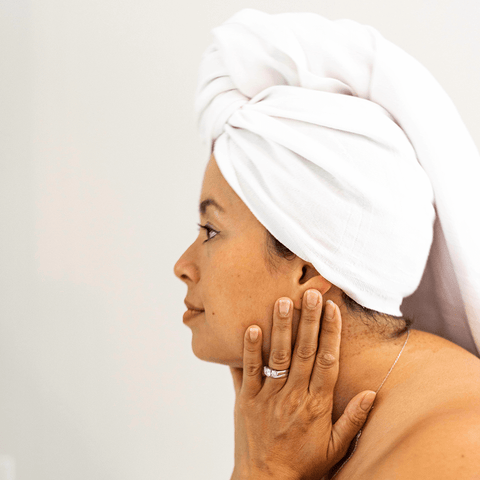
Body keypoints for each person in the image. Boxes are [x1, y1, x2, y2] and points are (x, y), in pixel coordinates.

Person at [175, 8, 480, 479]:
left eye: (211, 230)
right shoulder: (290, 427)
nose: (183, 265)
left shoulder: (448, 453)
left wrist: (264, 472)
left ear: (307, 265)